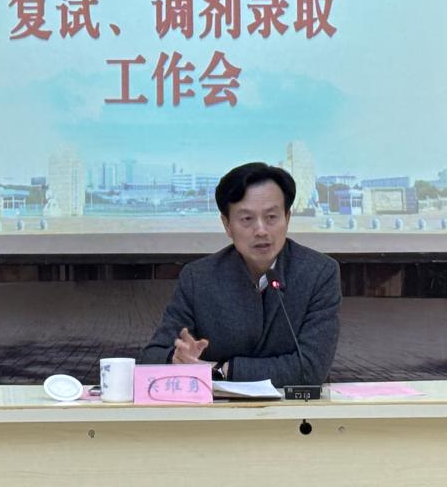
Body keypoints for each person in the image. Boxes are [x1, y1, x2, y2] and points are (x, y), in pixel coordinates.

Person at [139, 162, 341, 386]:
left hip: (292, 406)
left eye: (271, 217)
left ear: (287, 218)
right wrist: (176, 360)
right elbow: (152, 356)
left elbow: (311, 368)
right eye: (247, 219)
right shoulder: (199, 277)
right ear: (227, 225)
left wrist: (222, 370)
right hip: (217, 407)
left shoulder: (318, 273)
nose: (261, 230)